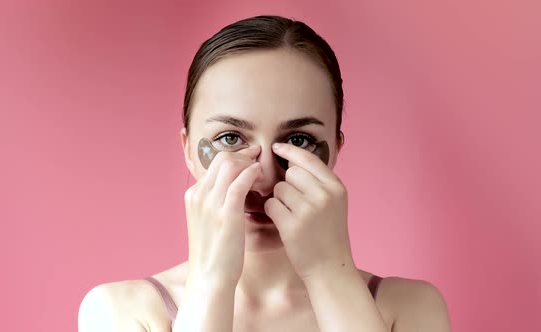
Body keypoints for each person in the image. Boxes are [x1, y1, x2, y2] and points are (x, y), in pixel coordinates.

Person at [78, 15, 451, 332]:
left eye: (299, 141)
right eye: (229, 138)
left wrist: (327, 271)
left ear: (335, 149)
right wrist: (212, 281)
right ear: (189, 149)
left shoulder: (409, 309)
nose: (265, 177)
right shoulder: (121, 311)